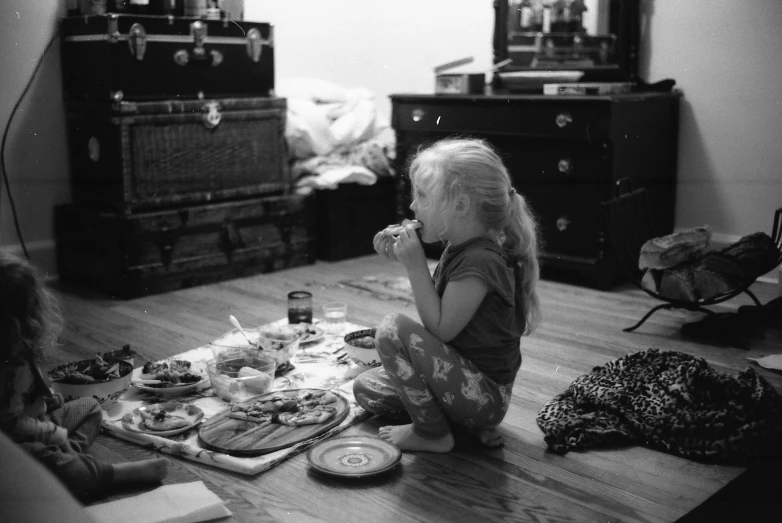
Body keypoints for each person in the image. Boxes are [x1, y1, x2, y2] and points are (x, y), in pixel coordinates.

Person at [353, 137, 541, 452]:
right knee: (366, 387)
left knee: (391, 329)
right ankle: (460, 424)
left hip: (484, 396)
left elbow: (439, 329)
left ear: (460, 205)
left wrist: (414, 266)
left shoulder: (481, 261)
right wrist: (405, 259)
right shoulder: (462, 247)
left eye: (422, 196)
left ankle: (432, 432)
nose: (413, 206)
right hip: (463, 386)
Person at [0, 250, 169, 501]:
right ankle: (104, 474)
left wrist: (48, 402)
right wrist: (54, 435)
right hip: (14, 447)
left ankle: (69, 460)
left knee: (90, 407)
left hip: (39, 424)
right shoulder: (9, 366)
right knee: (40, 460)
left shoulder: (18, 348)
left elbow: (24, 398)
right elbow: (9, 425)